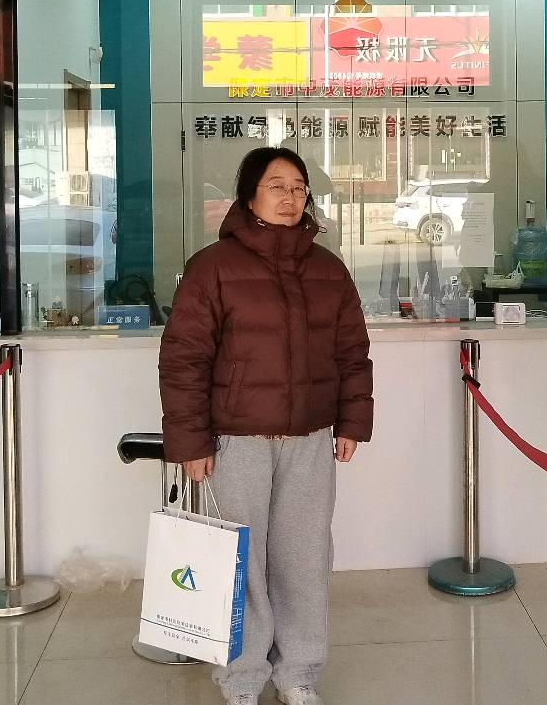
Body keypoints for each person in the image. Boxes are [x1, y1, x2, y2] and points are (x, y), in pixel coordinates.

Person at [159, 147, 374, 705]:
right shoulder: (213, 267)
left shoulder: (328, 269)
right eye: (276, 185)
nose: (290, 197)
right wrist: (191, 441)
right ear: (249, 195)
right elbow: (184, 359)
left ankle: (299, 672)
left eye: (299, 187)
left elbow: (352, 353)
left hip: (310, 439)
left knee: (305, 560)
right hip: (238, 441)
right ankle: (242, 677)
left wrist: (352, 421)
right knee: (241, 564)